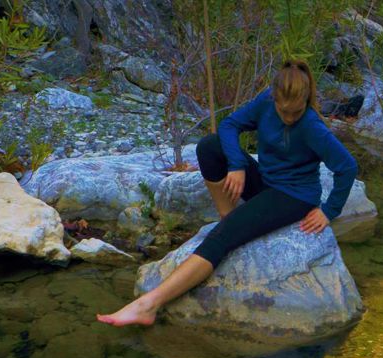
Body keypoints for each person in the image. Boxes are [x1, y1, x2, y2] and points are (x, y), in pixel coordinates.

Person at [96, 59, 358, 327]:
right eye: (284, 111)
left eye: (296, 112)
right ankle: (227, 215)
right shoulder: (266, 102)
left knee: (222, 240)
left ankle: (148, 305)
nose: (290, 118)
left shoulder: (313, 127)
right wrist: (237, 164)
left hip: (295, 197)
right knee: (209, 146)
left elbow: (347, 167)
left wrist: (329, 210)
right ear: (274, 98)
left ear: (305, 101)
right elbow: (229, 125)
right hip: (266, 183)